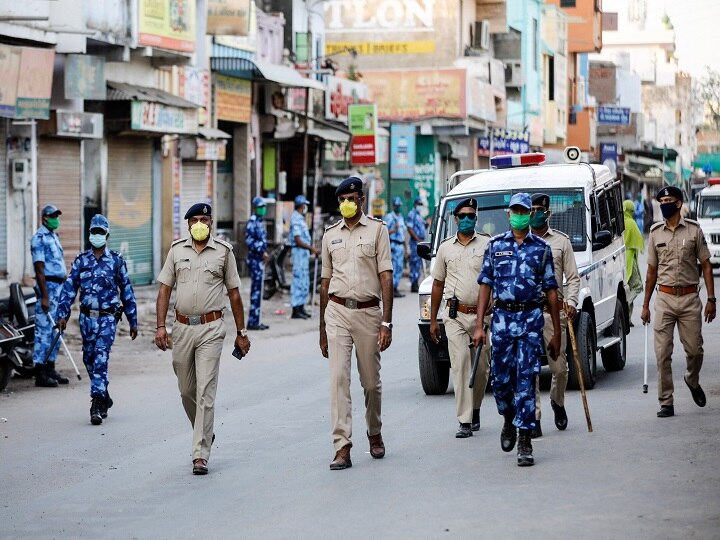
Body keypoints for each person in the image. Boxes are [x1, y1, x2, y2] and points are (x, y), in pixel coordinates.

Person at [154, 203, 251, 475]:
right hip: (182, 328)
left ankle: (200, 454)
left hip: (211, 328)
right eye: (195, 220)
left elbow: (234, 294)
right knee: (186, 390)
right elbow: (164, 290)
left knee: (205, 391)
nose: (200, 224)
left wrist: (241, 333)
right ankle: (205, 430)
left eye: (204, 219)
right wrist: (160, 327)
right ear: (187, 225)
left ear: (211, 223)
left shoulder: (223, 252)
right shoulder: (176, 251)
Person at [473, 193, 560, 467]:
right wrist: (478, 326)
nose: (521, 215)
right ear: (509, 214)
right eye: (516, 211)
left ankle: (525, 438)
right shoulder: (495, 246)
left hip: (531, 320)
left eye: (525, 211)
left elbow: (552, 292)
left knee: (526, 379)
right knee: (499, 381)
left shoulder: (542, 248)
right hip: (501, 321)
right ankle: (508, 419)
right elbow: (485, 285)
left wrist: (556, 332)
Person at [319, 176, 394, 470]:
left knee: (370, 383)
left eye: (351, 199)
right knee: (338, 379)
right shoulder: (329, 235)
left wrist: (387, 323)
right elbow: (325, 284)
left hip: (368, 313)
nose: (347, 205)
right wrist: (322, 331)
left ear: (361, 200)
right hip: (336, 312)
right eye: (342, 200)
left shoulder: (378, 231)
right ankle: (343, 446)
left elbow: (386, 277)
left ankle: (374, 432)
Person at [640, 186, 716, 418]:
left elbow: (706, 265)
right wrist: (645, 305)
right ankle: (666, 401)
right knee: (662, 353)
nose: (664, 203)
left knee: (695, 350)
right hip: (664, 299)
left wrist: (711, 299)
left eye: (669, 200)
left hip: (689, 299)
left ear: (679, 204)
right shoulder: (655, 233)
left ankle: (692, 380)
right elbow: (651, 271)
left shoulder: (694, 231)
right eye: (661, 200)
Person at [56, 214, 138, 425]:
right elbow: (68, 290)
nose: (97, 235)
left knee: (101, 358)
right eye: (94, 232)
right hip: (86, 319)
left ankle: (96, 403)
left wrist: (133, 320)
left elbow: (126, 291)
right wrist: (62, 315)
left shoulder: (116, 261)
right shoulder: (81, 261)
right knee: (89, 359)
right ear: (89, 233)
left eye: (101, 232)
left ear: (107, 235)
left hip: (108, 319)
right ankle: (104, 395)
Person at [429, 198, 491, 438]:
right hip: (454, 316)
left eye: (471, 215)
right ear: (455, 219)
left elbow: (494, 278)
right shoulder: (445, 248)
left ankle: (475, 409)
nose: (466, 219)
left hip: (481, 316)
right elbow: (437, 284)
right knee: (461, 364)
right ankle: (464, 420)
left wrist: (493, 302)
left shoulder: (487, 244)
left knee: (482, 367)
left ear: (476, 218)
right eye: (462, 216)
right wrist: (433, 320)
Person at [529, 193, 580, 438]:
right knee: (530, 370)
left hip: (554, 313)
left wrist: (571, 302)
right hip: (528, 312)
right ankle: (534, 417)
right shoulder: (520, 242)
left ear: (548, 213)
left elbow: (573, 277)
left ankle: (557, 402)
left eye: (540, 209)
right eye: (532, 209)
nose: (535, 213)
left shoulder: (561, 242)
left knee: (559, 368)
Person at [30, 204, 69, 387]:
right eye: (53, 216)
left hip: (59, 289)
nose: (56, 219)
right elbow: (39, 270)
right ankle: (40, 371)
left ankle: (50, 367)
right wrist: (44, 296)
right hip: (48, 288)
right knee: (44, 331)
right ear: (44, 218)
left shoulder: (54, 236)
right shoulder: (39, 238)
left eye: (57, 215)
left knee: (58, 329)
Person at [290, 195, 320, 319]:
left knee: (303, 281)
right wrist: (311, 248)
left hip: (303, 254)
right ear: (302, 206)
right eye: (305, 205)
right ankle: (295, 309)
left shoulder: (300, 218)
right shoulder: (295, 218)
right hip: (298, 253)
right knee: (298, 280)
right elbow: (297, 239)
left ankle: (301, 307)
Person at [245, 196, 269, 330]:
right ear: (255, 208)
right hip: (255, 260)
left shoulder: (260, 221)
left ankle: (257, 320)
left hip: (260, 260)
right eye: (261, 207)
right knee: (256, 291)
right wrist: (261, 251)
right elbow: (249, 242)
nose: (263, 209)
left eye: (263, 207)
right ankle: (253, 322)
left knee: (259, 291)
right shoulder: (252, 222)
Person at [623, 199, 644, 324]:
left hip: (621, 258)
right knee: (637, 286)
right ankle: (626, 303)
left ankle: (627, 319)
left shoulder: (620, 222)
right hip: (629, 258)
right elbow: (639, 238)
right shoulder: (630, 222)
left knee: (628, 287)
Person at [384, 197, 407, 298]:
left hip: (400, 245)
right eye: (396, 205)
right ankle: (391, 289)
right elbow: (384, 232)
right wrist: (394, 229)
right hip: (393, 245)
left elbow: (403, 233)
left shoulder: (401, 217)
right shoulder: (389, 217)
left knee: (400, 268)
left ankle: (396, 288)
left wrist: (406, 248)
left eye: (399, 206)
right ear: (393, 206)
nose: (398, 207)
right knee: (393, 268)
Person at [406, 197, 427, 293]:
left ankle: (416, 283)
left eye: (421, 205)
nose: (420, 206)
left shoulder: (419, 215)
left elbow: (422, 226)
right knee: (414, 263)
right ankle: (413, 283)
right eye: (419, 204)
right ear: (415, 204)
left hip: (420, 242)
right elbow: (409, 228)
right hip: (415, 242)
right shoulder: (412, 214)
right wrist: (417, 239)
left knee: (418, 264)